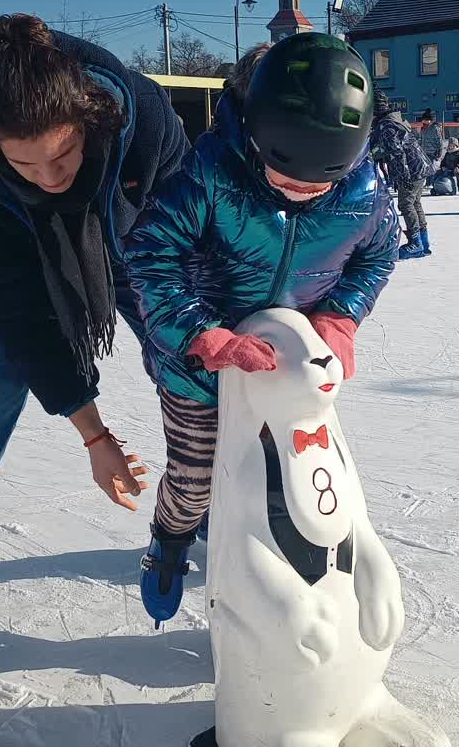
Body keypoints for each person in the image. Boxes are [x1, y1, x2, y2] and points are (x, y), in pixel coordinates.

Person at [0, 13, 190, 671]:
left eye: (63, 154)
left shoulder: (141, 116)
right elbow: (19, 317)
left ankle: (198, 513)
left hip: (132, 244)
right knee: (3, 374)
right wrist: (96, 436)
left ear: (91, 120)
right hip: (27, 262)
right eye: (25, 162)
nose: (49, 175)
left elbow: (189, 239)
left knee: (191, 354)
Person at [124, 32, 398, 624]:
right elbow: (150, 253)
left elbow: (378, 256)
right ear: (255, 134)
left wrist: (342, 316)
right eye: (286, 179)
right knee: (196, 479)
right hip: (199, 368)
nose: (303, 194)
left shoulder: (366, 192)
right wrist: (203, 334)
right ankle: (169, 541)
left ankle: (268, 574)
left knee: (286, 478)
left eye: (319, 184)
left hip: (288, 370)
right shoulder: (208, 173)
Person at [373, 92, 433, 259]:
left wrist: (404, 176)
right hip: (420, 167)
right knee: (415, 203)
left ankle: (416, 243)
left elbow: (397, 153)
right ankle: (423, 242)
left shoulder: (387, 126)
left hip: (412, 170)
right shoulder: (395, 119)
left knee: (406, 205)